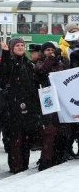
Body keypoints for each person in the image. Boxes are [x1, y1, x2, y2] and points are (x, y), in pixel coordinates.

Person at [0, 38, 42, 174]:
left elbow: (33, 84)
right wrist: (5, 54)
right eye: (17, 45)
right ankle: (16, 166)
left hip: (28, 106)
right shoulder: (9, 62)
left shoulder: (28, 64)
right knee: (15, 138)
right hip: (13, 106)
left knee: (26, 138)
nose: (20, 47)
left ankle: (24, 164)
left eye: (22, 45)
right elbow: (3, 76)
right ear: (12, 48)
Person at [35, 41, 71, 170]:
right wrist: (51, 58)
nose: (50, 52)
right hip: (48, 98)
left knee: (62, 129)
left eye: (52, 50)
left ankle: (59, 155)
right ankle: (46, 159)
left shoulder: (61, 63)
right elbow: (43, 70)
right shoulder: (39, 63)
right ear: (43, 52)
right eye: (47, 50)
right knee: (49, 130)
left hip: (61, 99)